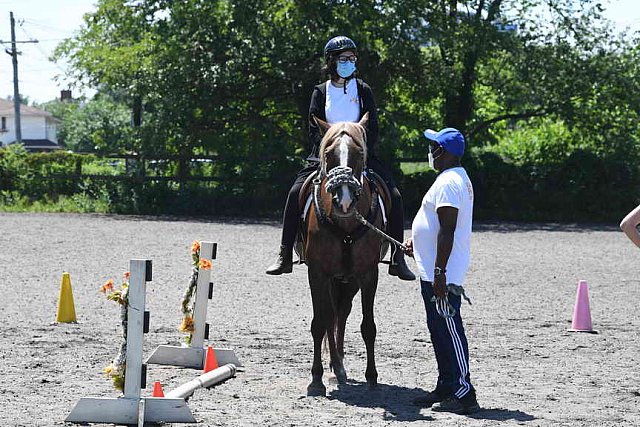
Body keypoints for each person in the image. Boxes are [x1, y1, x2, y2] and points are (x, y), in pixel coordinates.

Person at [266, 35, 415, 280]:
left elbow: (373, 126)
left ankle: (398, 258)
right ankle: (284, 254)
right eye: (344, 58)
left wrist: (358, 148)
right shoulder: (320, 92)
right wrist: (331, 148)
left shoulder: (363, 90)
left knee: (395, 196)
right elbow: (314, 128)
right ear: (332, 61)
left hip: (358, 155)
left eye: (352, 58)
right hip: (327, 155)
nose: (349, 62)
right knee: (295, 193)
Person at [404, 127, 479, 414]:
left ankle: (464, 392)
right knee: (438, 329)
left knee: (450, 329)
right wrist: (418, 244)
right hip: (435, 270)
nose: (430, 151)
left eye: (434, 146)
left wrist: (439, 273)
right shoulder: (451, 178)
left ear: (443, 152)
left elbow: (447, 230)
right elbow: (436, 227)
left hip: (443, 275)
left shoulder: (449, 182)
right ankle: (447, 384)